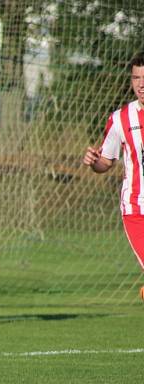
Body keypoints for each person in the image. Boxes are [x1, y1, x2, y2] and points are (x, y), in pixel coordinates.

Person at [83, 52, 144, 299]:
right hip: (136, 209)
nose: (141, 83)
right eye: (136, 78)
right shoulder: (120, 118)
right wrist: (94, 162)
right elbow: (106, 161)